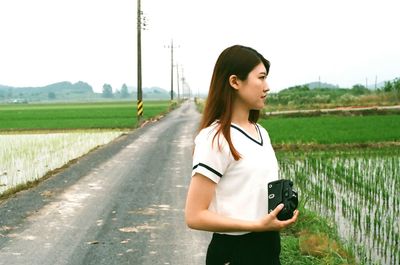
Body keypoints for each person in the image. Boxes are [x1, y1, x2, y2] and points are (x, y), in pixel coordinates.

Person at [184, 45, 299, 265]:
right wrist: (255, 225)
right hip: (234, 253)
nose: (267, 87)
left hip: (268, 247)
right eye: (261, 78)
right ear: (235, 81)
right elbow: (194, 216)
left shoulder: (260, 132)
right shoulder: (215, 138)